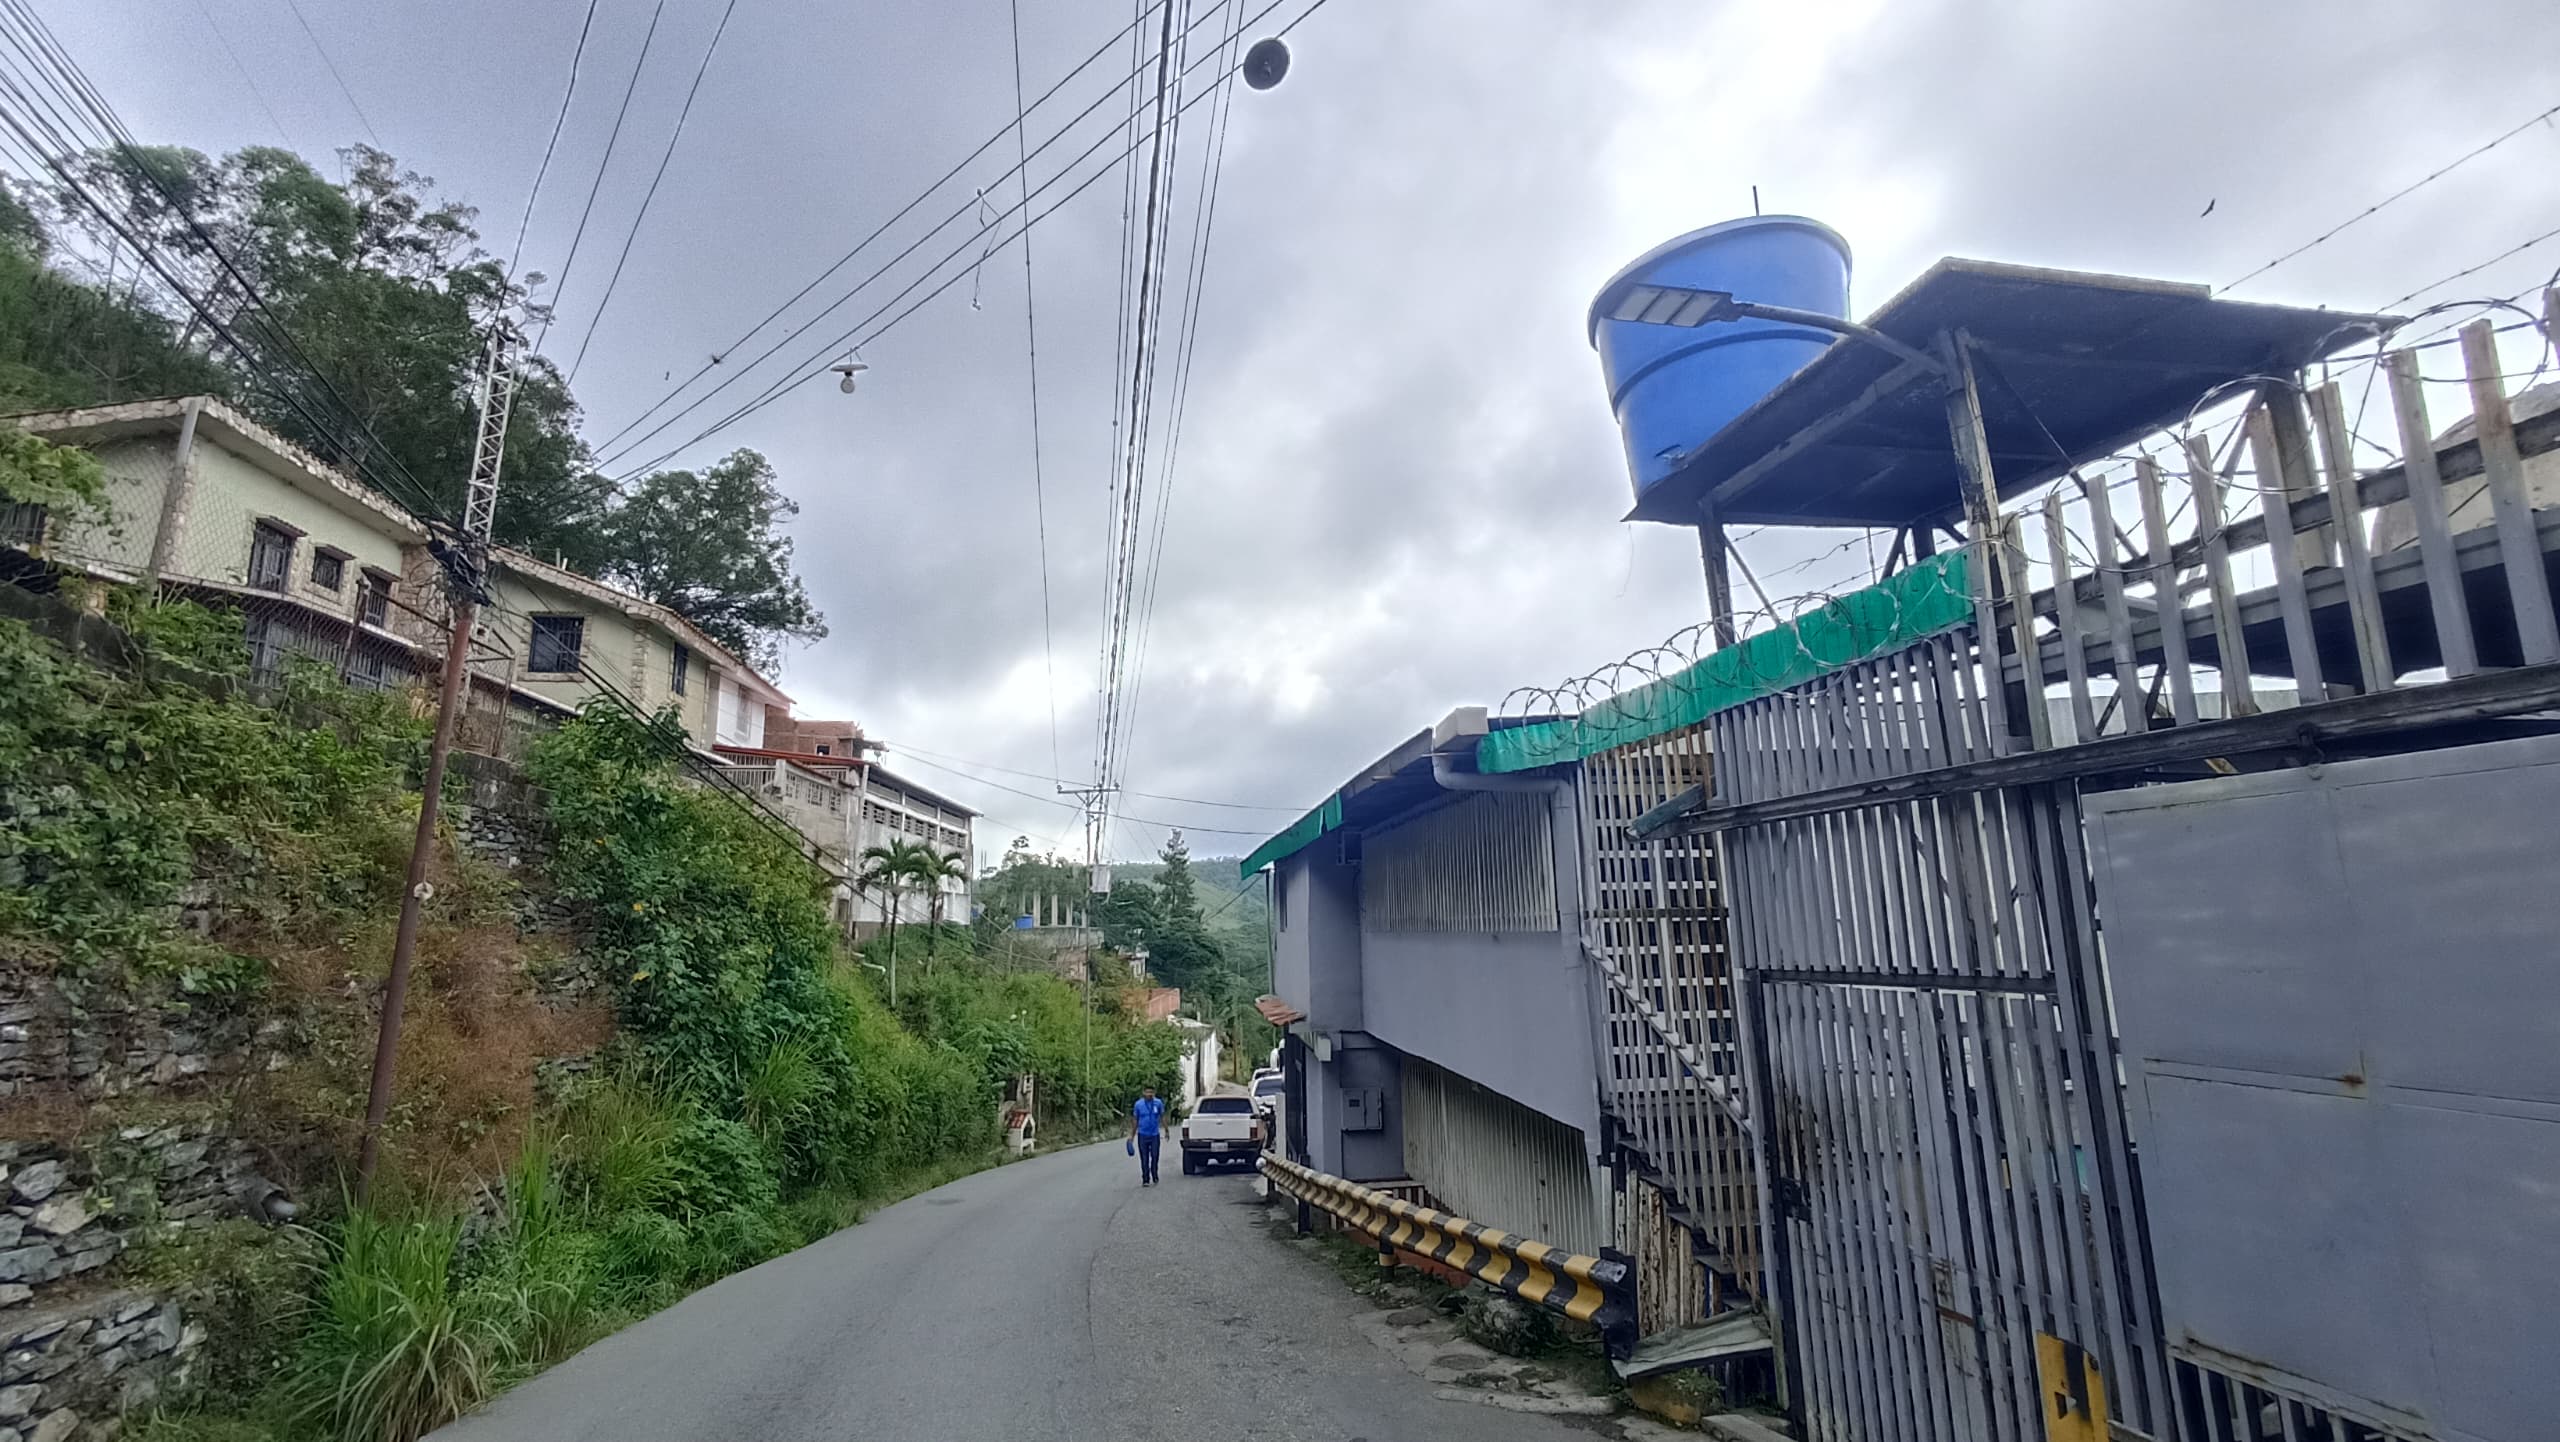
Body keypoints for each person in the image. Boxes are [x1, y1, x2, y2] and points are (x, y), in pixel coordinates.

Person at [1127, 1086, 1165, 1186]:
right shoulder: (1138, 1104)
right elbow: (1135, 1119)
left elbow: (1162, 1116)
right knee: (1144, 1158)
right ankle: (1146, 1179)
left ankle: (1154, 1173)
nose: (1149, 1094)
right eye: (1147, 1092)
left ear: (1154, 1093)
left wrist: (1166, 1130)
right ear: (1143, 1093)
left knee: (1155, 1155)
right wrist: (1132, 1134)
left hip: (1154, 1135)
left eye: (1151, 1092)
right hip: (1143, 1135)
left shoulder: (1158, 1103)